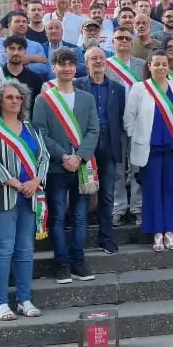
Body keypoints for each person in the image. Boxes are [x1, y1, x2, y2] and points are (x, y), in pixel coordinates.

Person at [0, 80, 50, 321]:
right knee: (3, 249)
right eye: (9, 97)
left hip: (29, 196)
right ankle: (0, 303)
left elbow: (44, 157)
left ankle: (24, 299)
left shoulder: (30, 128)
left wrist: (35, 181)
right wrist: (15, 183)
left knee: (25, 249)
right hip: (1, 196)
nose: (15, 101)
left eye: (18, 97)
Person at [33, 48, 100, 284]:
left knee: (81, 216)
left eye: (71, 64)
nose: (67, 68)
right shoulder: (43, 99)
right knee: (59, 215)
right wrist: (63, 156)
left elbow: (93, 130)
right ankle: (61, 263)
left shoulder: (86, 98)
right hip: (57, 166)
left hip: (82, 166)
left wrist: (79, 157)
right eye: (62, 64)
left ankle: (78, 261)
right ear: (54, 68)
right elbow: (40, 132)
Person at [125, 51, 173, 251]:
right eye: (157, 64)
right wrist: (136, 138)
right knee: (152, 190)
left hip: (172, 148)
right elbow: (129, 118)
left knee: (171, 189)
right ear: (149, 66)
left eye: (164, 64)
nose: (161, 67)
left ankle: (169, 231)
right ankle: (156, 233)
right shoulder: (139, 88)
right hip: (149, 148)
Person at [74, 47, 127, 254]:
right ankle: (80, 238)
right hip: (84, 143)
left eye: (101, 58)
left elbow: (120, 118)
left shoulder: (117, 88)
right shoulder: (77, 85)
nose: (98, 61)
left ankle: (105, 238)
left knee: (107, 194)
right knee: (83, 192)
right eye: (93, 58)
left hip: (108, 143)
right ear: (86, 62)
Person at [104, 28, 147, 226]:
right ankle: (118, 207)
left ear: (132, 42)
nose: (123, 41)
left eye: (127, 38)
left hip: (138, 122)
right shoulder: (106, 65)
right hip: (115, 123)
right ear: (112, 41)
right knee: (117, 168)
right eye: (119, 38)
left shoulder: (142, 65)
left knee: (138, 165)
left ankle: (138, 207)